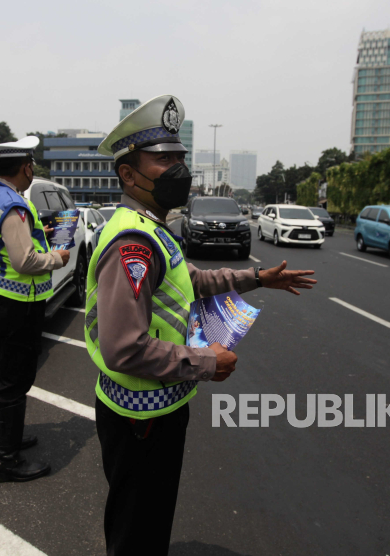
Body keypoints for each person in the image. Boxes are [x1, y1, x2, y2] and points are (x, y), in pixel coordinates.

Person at [85, 95, 318, 555]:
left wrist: (256, 278)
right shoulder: (133, 242)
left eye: (179, 159)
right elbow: (123, 347)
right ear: (128, 174)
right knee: (139, 529)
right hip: (141, 416)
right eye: (162, 160)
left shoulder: (152, 226)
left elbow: (192, 280)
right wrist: (206, 362)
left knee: (147, 519)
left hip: (155, 406)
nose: (177, 170)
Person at [0, 137, 70, 483]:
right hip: (18, 303)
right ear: (25, 167)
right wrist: (56, 259)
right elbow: (25, 260)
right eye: (32, 166)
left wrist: (37, 232)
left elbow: (8, 242)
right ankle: (7, 459)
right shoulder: (14, 206)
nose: (33, 171)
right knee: (15, 379)